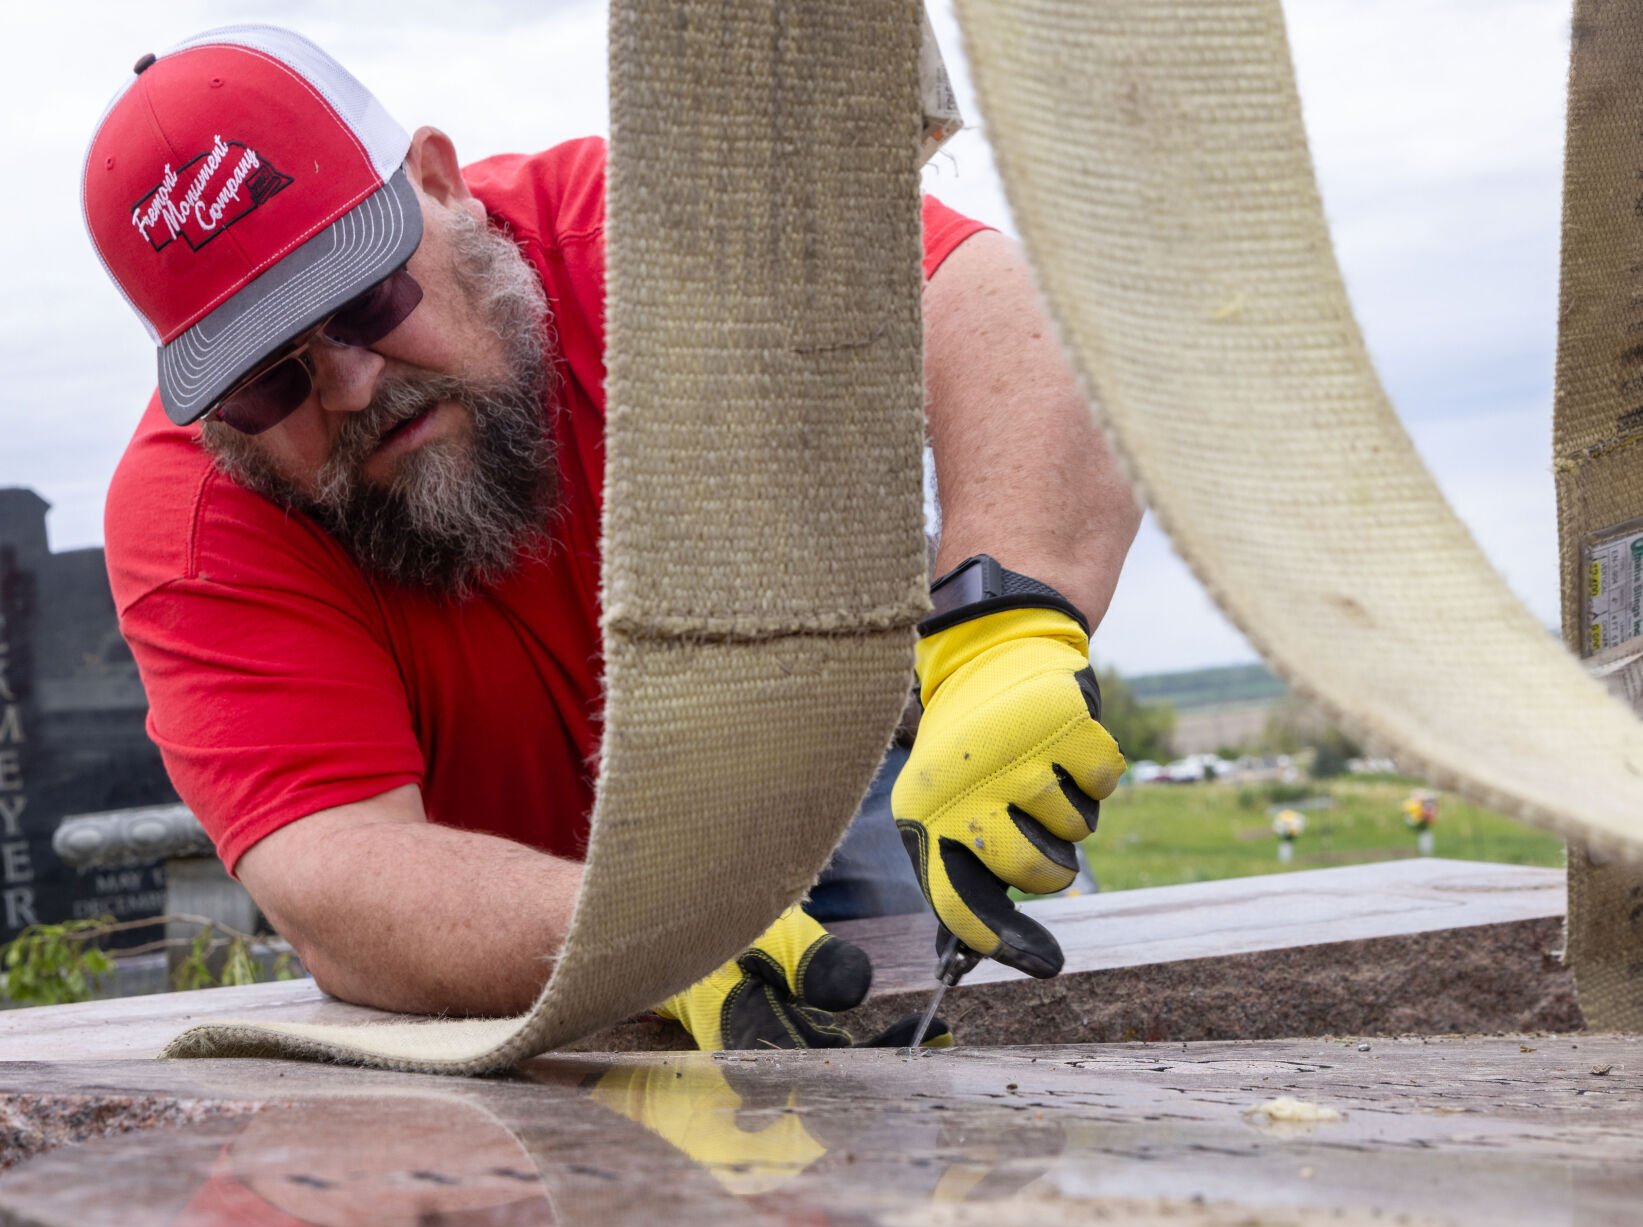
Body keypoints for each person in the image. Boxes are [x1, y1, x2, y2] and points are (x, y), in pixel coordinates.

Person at [81, 26, 1139, 1048]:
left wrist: (1004, 621)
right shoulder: (196, 516)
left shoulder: (631, 232)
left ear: (442, 187)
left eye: (364, 299)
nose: (352, 383)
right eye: (273, 377)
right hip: (515, 908)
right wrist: (644, 940)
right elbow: (335, 872)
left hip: (834, 757)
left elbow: (999, 311)